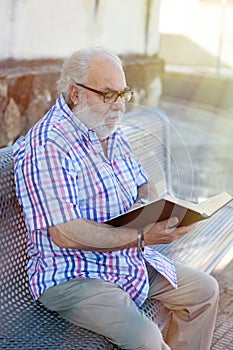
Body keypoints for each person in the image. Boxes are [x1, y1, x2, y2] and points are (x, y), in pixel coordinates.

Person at [13, 47, 219, 350]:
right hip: (72, 273)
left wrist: (159, 210)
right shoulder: (48, 146)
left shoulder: (109, 130)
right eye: (108, 95)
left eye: (123, 94)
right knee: (146, 338)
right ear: (76, 94)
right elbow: (66, 234)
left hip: (122, 258)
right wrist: (140, 236)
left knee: (205, 291)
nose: (119, 106)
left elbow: (141, 184)